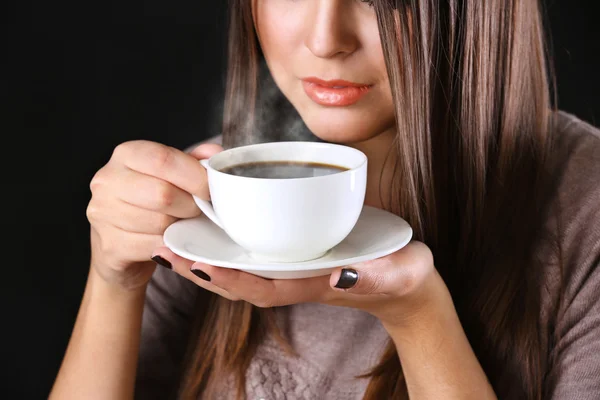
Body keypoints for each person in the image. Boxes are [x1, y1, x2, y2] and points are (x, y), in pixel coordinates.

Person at [50, 0, 600, 399]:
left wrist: (419, 317)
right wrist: (113, 280)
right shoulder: (214, 198)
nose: (325, 39)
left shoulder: (585, 210)